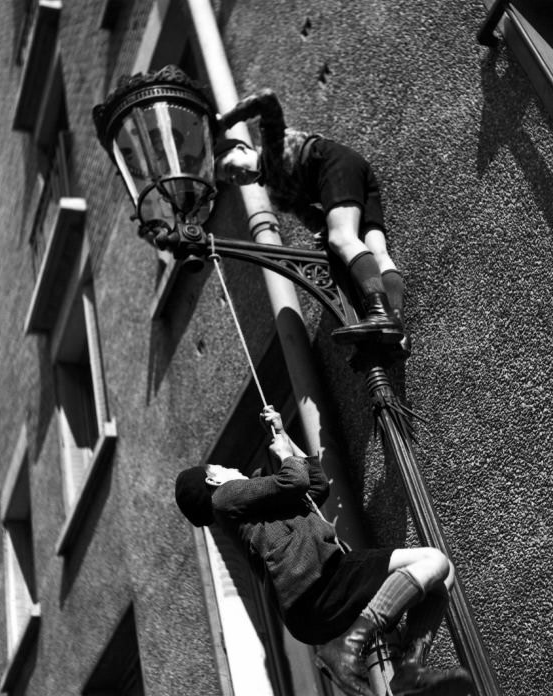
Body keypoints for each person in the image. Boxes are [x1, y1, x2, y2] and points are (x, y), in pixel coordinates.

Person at [175, 406, 473, 696]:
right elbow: (295, 480)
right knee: (432, 560)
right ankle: (349, 648)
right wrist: (282, 455)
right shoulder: (224, 497)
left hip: (314, 598)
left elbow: (316, 486)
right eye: (223, 467)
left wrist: (286, 437)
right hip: (318, 582)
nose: (232, 467)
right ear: (213, 480)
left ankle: (408, 668)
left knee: (438, 576)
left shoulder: (253, 507)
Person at [213, 89, 408, 351]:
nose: (235, 177)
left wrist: (227, 120)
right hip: (354, 174)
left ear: (241, 147)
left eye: (229, 167)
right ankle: (397, 328)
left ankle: (380, 312)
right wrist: (322, 234)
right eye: (229, 180)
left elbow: (266, 99)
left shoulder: (273, 142)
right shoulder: (277, 195)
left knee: (342, 237)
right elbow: (314, 220)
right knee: (377, 250)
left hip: (334, 165)